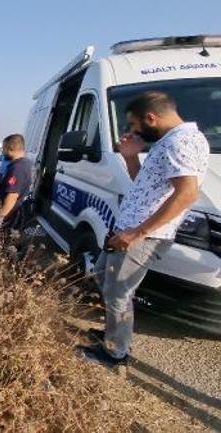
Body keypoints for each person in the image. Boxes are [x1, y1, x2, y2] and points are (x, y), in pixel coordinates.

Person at [79, 91, 209, 367]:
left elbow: (187, 194)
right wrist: (130, 159)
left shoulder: (180, 143)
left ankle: (115, 352)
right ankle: (114, 333)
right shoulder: (170, 142)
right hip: (129, 229)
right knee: (104, 277)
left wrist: (138, 233)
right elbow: (148, 187)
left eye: (135, 125)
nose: (133, 131)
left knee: (118, 291)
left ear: (151, 117)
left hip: (141, 235)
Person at [0, 134, 32, 232]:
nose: (3, 152)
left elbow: (12, 196)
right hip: (11, 214)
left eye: (3, 149)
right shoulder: (24, 163)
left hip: (10, 216)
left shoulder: (17, 168)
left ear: (10, 148)